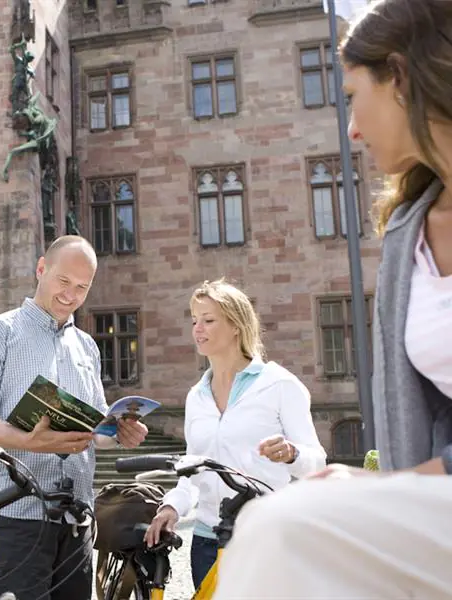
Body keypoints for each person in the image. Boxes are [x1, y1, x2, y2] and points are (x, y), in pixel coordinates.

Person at [213, 2, 452, 598]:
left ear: (399, 77)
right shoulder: (409, 231)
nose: (350, 128)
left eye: (351, 93)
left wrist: (403, 486)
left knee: (277, 530)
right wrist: (396, 484)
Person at [0, 235, 149, 600]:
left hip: (75, 518)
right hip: (14, 513)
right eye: (64, 281)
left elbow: (94, 433)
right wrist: (28, 441)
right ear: (41, 268)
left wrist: (118, 431)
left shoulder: (87, 346)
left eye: (82, 287)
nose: (71, 295)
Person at [143, 279, 326, 591]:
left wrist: (292, 453)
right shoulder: (196, 396)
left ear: (237, 325)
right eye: (194, 320)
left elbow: (318, 462)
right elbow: (191, 474)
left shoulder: (279, 385)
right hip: (206, 541)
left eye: (209, 320)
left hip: (263, 535)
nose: (198, 329)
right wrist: (172, 505)